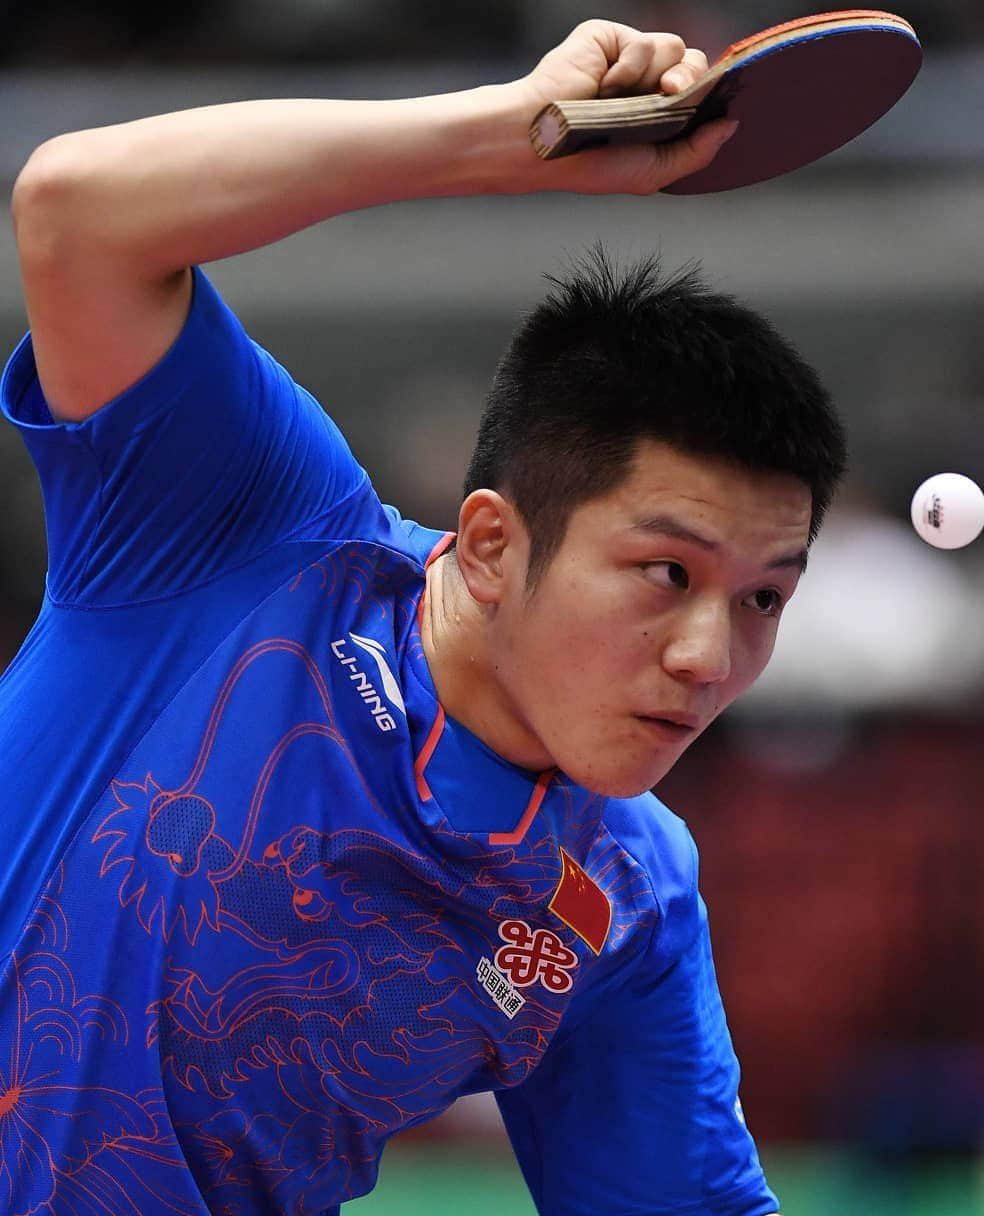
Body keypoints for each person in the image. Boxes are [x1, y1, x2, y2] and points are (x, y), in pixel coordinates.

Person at [0, 19, 845, 1216]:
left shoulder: (620, 896)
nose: (713, 657)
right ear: (494, 543)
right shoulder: (247, 527)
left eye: (765, 597)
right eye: (666, 573)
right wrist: (514, 136)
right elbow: (73, 211)